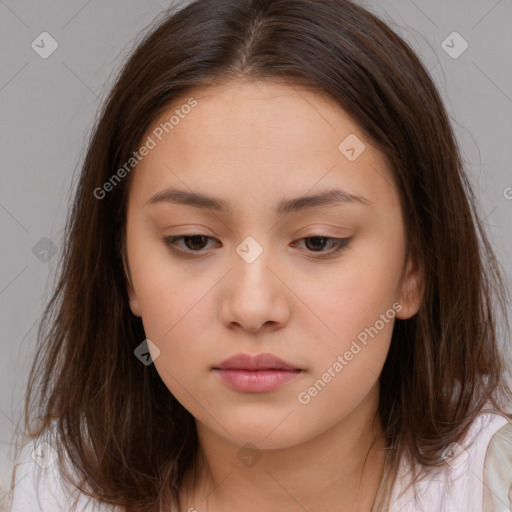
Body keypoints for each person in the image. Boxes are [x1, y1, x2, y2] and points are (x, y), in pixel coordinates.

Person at [7, 0, 512, 511]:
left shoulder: (492, 489)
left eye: (318, 241)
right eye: (193, 240)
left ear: (413, 269)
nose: (251, 307)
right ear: (126, 268)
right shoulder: (41, 496)